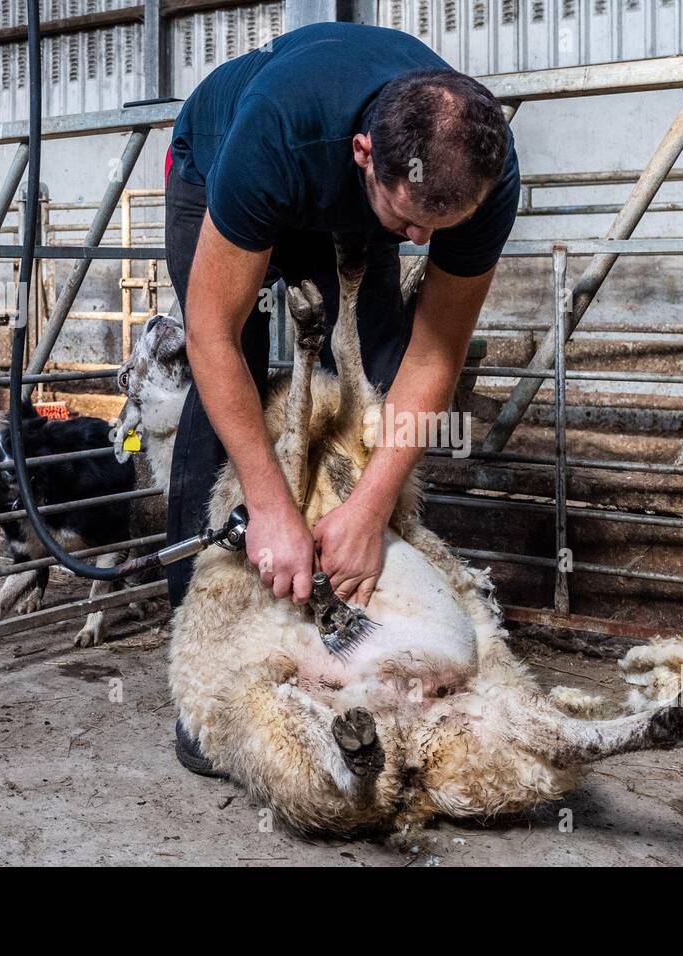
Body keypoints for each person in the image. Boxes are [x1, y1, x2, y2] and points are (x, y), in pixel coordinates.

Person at [164, 22, 519, 774]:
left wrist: (370, 505)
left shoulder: (478, 177)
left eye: (440, 229)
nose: (424, 243)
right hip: (222, 159)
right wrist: (267, 505)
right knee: (235, 382)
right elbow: (211, 335)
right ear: (366, 155)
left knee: (375, 384)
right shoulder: (278, 133)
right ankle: (201, 665)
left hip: (350, 192)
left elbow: (437, 351)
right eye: (411, 224)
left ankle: (368, 619)